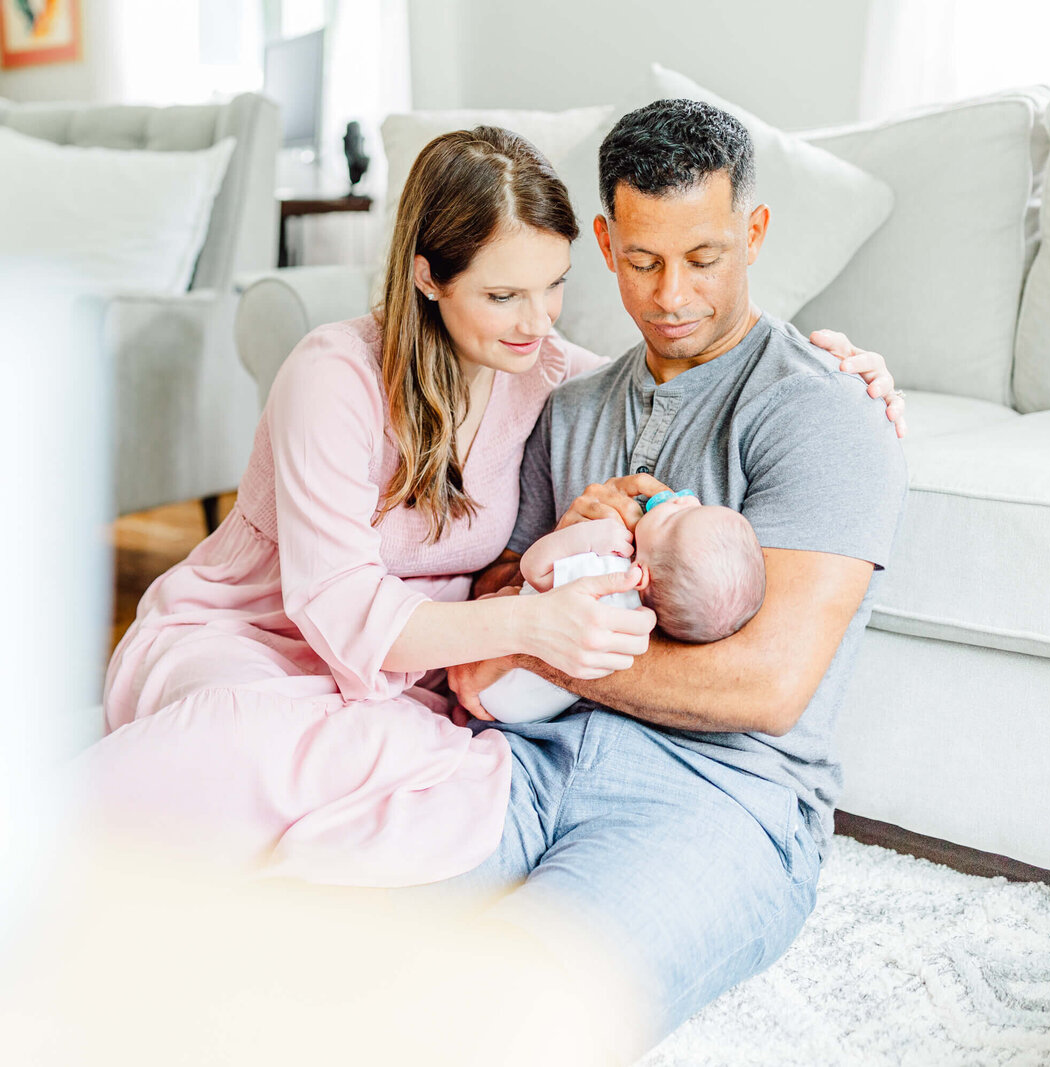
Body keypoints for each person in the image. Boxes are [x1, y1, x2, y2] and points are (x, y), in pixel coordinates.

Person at [80, 121, 904, 897]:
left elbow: (673, 376)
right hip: (253, 637)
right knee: (260, 732)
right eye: (505, 294)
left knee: (443, 780)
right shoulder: (331, 376)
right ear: (428, 275)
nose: (537, 322)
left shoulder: (549, 374)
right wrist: (529, 633)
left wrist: (848, 373)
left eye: (553, 288)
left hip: (409, 679)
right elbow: (336, 607)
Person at [443, 99, 909, 1042]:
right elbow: (486, 607)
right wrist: (547, 562)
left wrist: (550, 652)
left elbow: (767, 687)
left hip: (719, 796)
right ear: (607, 244)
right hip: (531, 758)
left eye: (704, 258)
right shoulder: (567, 410)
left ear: (754, 232)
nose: (671, 296)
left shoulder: (820, 413)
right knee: (328, 932)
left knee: (514, 1007)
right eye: (644, 261)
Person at [479, 490, 765, 723]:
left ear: (641, 574)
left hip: (498, 682)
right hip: (526, 711)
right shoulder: (642, 626)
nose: (685, 499)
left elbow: (534, 569)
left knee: (492, 604)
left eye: (674, 518)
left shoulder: (606, 570)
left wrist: (586, 536)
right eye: (696, 507)